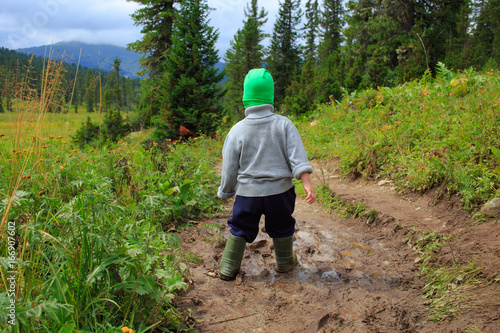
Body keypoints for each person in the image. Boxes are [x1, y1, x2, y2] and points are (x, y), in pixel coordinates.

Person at [217, 68, 316, 281]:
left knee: (240, 227)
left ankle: (228, 267)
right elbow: (297, 157)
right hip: (280, 194)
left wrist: (226, 190)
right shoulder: (284, 124)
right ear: (270, 97)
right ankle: (284, 262)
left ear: (246, 98)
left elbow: (229, 166)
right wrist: (306, 183)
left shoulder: (237, 130)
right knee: (282, 226)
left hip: (247, 196)